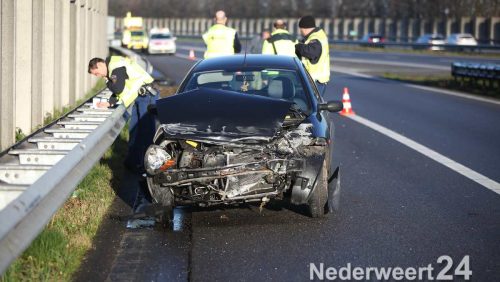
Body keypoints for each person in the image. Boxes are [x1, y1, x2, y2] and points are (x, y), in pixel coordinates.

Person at [88, 56, 159, 173]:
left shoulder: (115, 67)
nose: (98, 76)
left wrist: (107, 80)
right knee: (134, 131)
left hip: (147, 95)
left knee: (145, 133)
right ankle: (133, 163)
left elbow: (118, 89)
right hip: (141, 96)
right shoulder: (114, 67)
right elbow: (124, 89)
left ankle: (149, 166)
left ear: (100, 65)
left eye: (97, 73)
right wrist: (109, 102)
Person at [295, 15, 330, 97]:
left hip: (316, 81)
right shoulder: (317, 35)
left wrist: (299, 46)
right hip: (315, 80)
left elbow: (311, 52)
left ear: (304, 28)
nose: (301, 32)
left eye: (301, 29)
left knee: (313, 107)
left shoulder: (315, 37)